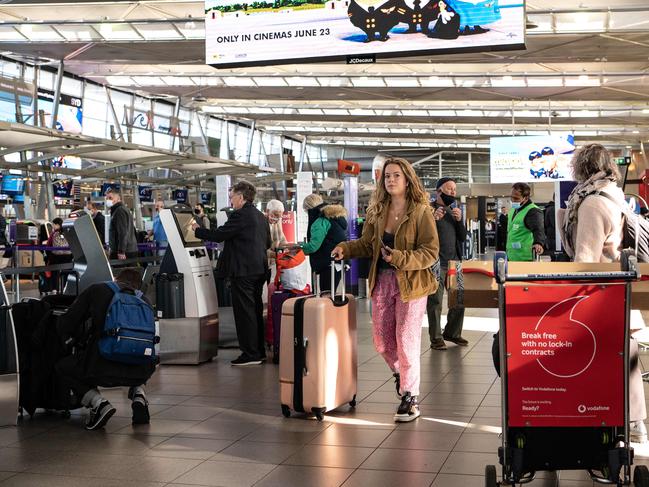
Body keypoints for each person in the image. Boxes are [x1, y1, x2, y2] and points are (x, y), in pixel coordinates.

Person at [332, 157, 439, 422]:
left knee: (406, 339)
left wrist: (399, 258)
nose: (391, 180)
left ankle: (410, 398)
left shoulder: (421, 211)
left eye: (396, 176)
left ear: (407, 179)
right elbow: (368, 244)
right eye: (387, 176)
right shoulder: (377, 210)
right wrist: (345, 249)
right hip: (382, 281)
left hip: (412, 283)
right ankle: (402, 376)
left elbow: (430, 252)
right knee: (381, 342)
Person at [55, 269, 155, 431]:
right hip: (141, 371)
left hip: (100, 367)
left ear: (115, 279)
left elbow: (67, 322)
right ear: (138, 286)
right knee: (137, 352)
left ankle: (98, 404)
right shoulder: (145, 300)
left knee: (63, 367)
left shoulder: (97, 290)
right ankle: (139, 396)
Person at [192, 181, 271, 366]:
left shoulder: (240, 215)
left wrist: (198, 230)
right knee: (255, 311)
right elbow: (267, 242)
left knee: (245, 313)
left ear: (241, 197)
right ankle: (258, 351)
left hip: (243, 271)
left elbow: (220, 235)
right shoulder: (260, 216)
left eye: (232, 196)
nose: (231, 200)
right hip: (258, 270)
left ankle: (250, 354)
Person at [427, 177, 468, 350]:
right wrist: (433, 220)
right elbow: (423, 235)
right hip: (436, 262)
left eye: (454, 189)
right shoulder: (428, 210)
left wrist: (460, 221)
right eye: (449, 188)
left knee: (459, 299)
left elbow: (462, 237)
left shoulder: (455, 210)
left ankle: (452, 332)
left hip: (455, 262)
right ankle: (436, 338)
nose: (453, 192)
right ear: (438, 191)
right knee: (435, 301)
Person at [301, 194, 348, 292]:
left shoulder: (320, 221)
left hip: (328, 264)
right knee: (331, 295)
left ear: (309, 209)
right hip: (338, 263)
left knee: (325, 297)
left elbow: (314, 246)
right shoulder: (333, 217)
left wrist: (298, 249)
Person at [506, 182, 545, 262]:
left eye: (516, 198)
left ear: (526, 198)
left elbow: (538, 229)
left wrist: (538, 243)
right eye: (511, 197)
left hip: (526, 258)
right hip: (512, 257)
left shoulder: (533, 211)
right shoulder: (513, 210)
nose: (513, 200)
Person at [105, 188, 138, 260]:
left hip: (124, 252)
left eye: (110, 198)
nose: (108, 200)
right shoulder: (122, 209)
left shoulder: (119, 211)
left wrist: (121, 251)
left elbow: (122, 232)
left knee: (119, 271)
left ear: (118, 198)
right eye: (107, 198)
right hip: (128, 249)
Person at [46, 217, 73, 293]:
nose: (53, 226)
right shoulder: (68, 232)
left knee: (55, 272)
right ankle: (65, 287)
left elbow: (49, 244)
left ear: (57, 225)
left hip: (56, 257)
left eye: (54, 225)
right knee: (66, 272)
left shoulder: (54, 234)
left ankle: (55, 288)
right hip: (67, 256)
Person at [544, 196, 556, 260]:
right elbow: (555, 225)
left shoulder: (549, 208)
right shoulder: (553, 209)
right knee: (558, 259)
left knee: (554, 258)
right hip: (554, 238)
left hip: (550, 237)